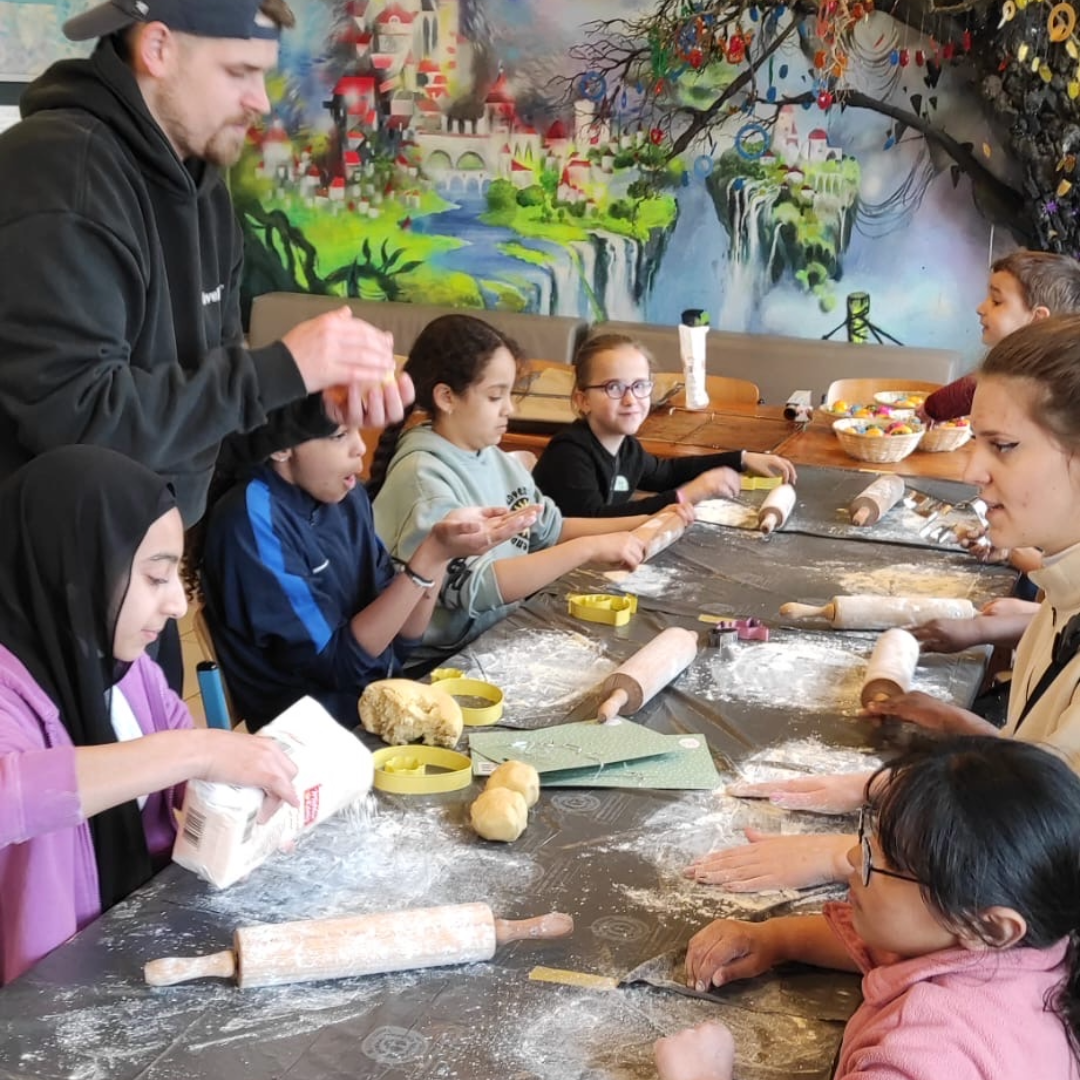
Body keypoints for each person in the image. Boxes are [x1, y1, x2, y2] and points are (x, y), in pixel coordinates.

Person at [684, 315, 1080, 893]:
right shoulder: (1060, 591)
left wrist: (855, 855)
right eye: (975, 440)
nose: (971, 469)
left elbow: (1050, 868)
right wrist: (894, 784)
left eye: (1003, 446)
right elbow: (1052, 774)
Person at [0, 0, 411, 529]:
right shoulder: (63, 169)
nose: (260, 101)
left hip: (143, 571)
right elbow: (78, 423)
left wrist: (315, 406)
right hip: (43, 582)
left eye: (263, 73)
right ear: (158, 49)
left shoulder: (205, 191)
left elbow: (208, 429)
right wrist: (283, 366)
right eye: (239, 71)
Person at [0, 445, 302, 985]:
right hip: (37, 998)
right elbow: (13, 795)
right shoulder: (8, 685)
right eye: (155, 577)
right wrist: (203, 750)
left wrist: (232, 807)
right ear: (76, 572)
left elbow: (183, 785)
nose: (177, 606)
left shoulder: (124, 666)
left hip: (130, 947)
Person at [655, 738, 1080, 1080]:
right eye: (871, 839)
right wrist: (776, 938)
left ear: (990, 926)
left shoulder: (917, 1056)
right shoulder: (1035, 948)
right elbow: (900, 949)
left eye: (890, 862)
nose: (855, 861)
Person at [369, 315, 682, 657]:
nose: (510, 408)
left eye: (510, 394)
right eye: (495, 396)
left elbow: (551, 529)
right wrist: (589, 549)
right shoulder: (425, 480)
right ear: (446, 397)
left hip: (500, 631)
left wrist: (653, 518)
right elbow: (477, 588)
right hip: (444, 660)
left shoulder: (491, 456)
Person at [198, 426, 542, 731]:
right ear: (281, 446)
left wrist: (442, 552)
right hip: (309, 741)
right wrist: (431, 554)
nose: (359, 447)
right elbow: (338, 665)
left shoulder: (346, 496)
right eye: (338, 435)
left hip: (374, 706)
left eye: (356, 429)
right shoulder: (249, 521)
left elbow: (403, 638)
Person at [532, 333, 796, 517]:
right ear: (583, 400)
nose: (630, 399)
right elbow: (592, 520)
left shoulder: (627, 449)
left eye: (639, 386)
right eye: (614, 387)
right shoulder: (569, 453)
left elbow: (666, 473)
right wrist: (688, 495)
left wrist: (742, 459)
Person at [921, 249, 1080, 423]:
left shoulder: (1040, 375)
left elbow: (967, 392)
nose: (980, 308)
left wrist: (929, 409)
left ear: (1038, 318)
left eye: (996, 301)